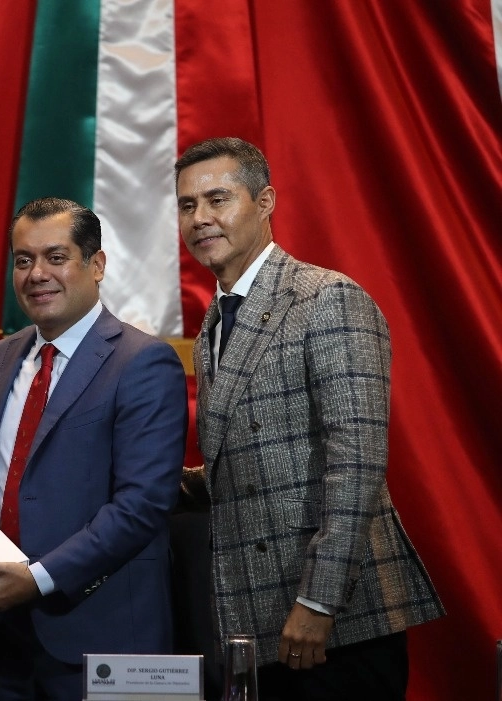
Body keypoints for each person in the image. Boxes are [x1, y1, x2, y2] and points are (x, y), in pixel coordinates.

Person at [175, 136, 444, 700]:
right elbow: (251, 459)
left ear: (266, 201)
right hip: (259, 616)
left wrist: (319, 600)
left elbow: (358, 462)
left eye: (218, 199)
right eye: (187, 205)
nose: (200, 218)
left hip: (336, 624)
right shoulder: (215, 325)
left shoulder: (327, 298)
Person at [0, 197, 188, 700]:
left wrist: (40, 578)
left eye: (56, 257)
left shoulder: (143, 361)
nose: (37, 274)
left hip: (104, 637)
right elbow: (32, 468)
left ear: (96, 265)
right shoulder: (6, 354)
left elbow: (144, 504)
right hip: (6, 636)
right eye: (23, 259)